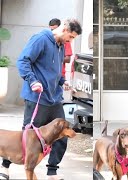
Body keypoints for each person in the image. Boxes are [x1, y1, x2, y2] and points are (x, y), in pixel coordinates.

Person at [0, 19, 82, 180]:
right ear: (64, 29)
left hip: (54, 98)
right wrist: (32, 80)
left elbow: (55, 70)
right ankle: (5, 166)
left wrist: (62, 81)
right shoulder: (40, 39)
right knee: (26, 137)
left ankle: (52, 171)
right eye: (71, 37)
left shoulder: (60, 47)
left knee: (61, 135)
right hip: (36, 97)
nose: (70, 41)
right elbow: (23, 61)